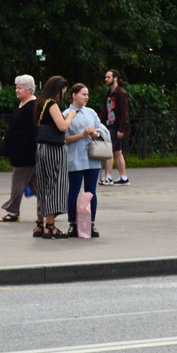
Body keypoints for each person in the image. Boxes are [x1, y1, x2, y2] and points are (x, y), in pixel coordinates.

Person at [62, 83, 105, 238]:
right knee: (74, 190)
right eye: (83, 94)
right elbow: (65, 138)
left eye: (87, 94)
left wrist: (96, 133)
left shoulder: (91, 113)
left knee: (91, 191)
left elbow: (101, 128)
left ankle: (91, 223)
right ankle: (73, 224)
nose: (87, 97)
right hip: (75, 157)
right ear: (74, 95)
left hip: (92, 157)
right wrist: (82, 134)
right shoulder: (66, 113)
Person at [32, 76, 73, 238]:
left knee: (42, 185)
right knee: (55, 184)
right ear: (58, 89)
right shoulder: (51, 104)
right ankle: (50, 225)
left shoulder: (40, 103)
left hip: (41, 147)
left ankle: (39, 225)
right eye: (63, 90)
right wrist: (70, 116)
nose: (63, 94)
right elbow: (62, 126)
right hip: (54, 148)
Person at [0, 75, 39, 223]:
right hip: (21, 152)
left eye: (19, 88)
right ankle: (49, 208)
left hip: (26, 153)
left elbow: (33, 130)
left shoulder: (31, 106)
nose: (16, 90)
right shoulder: (23, 104)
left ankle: (13, 211)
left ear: (29, 89)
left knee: (17, 181)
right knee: (35, 185)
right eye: (16, 87)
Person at [100, 69, 131, 185]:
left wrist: (122, 129)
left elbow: (124, 113)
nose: (106, 79)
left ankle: (108, 177)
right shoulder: (108, 94)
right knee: (117, 152)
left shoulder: (121, 94)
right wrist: (100, 123)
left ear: (115, 78)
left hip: (116, 126)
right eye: (106, 77)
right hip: (109, 124)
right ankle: (124, 177)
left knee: (109, 151)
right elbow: (104, 110)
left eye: (108, 77)